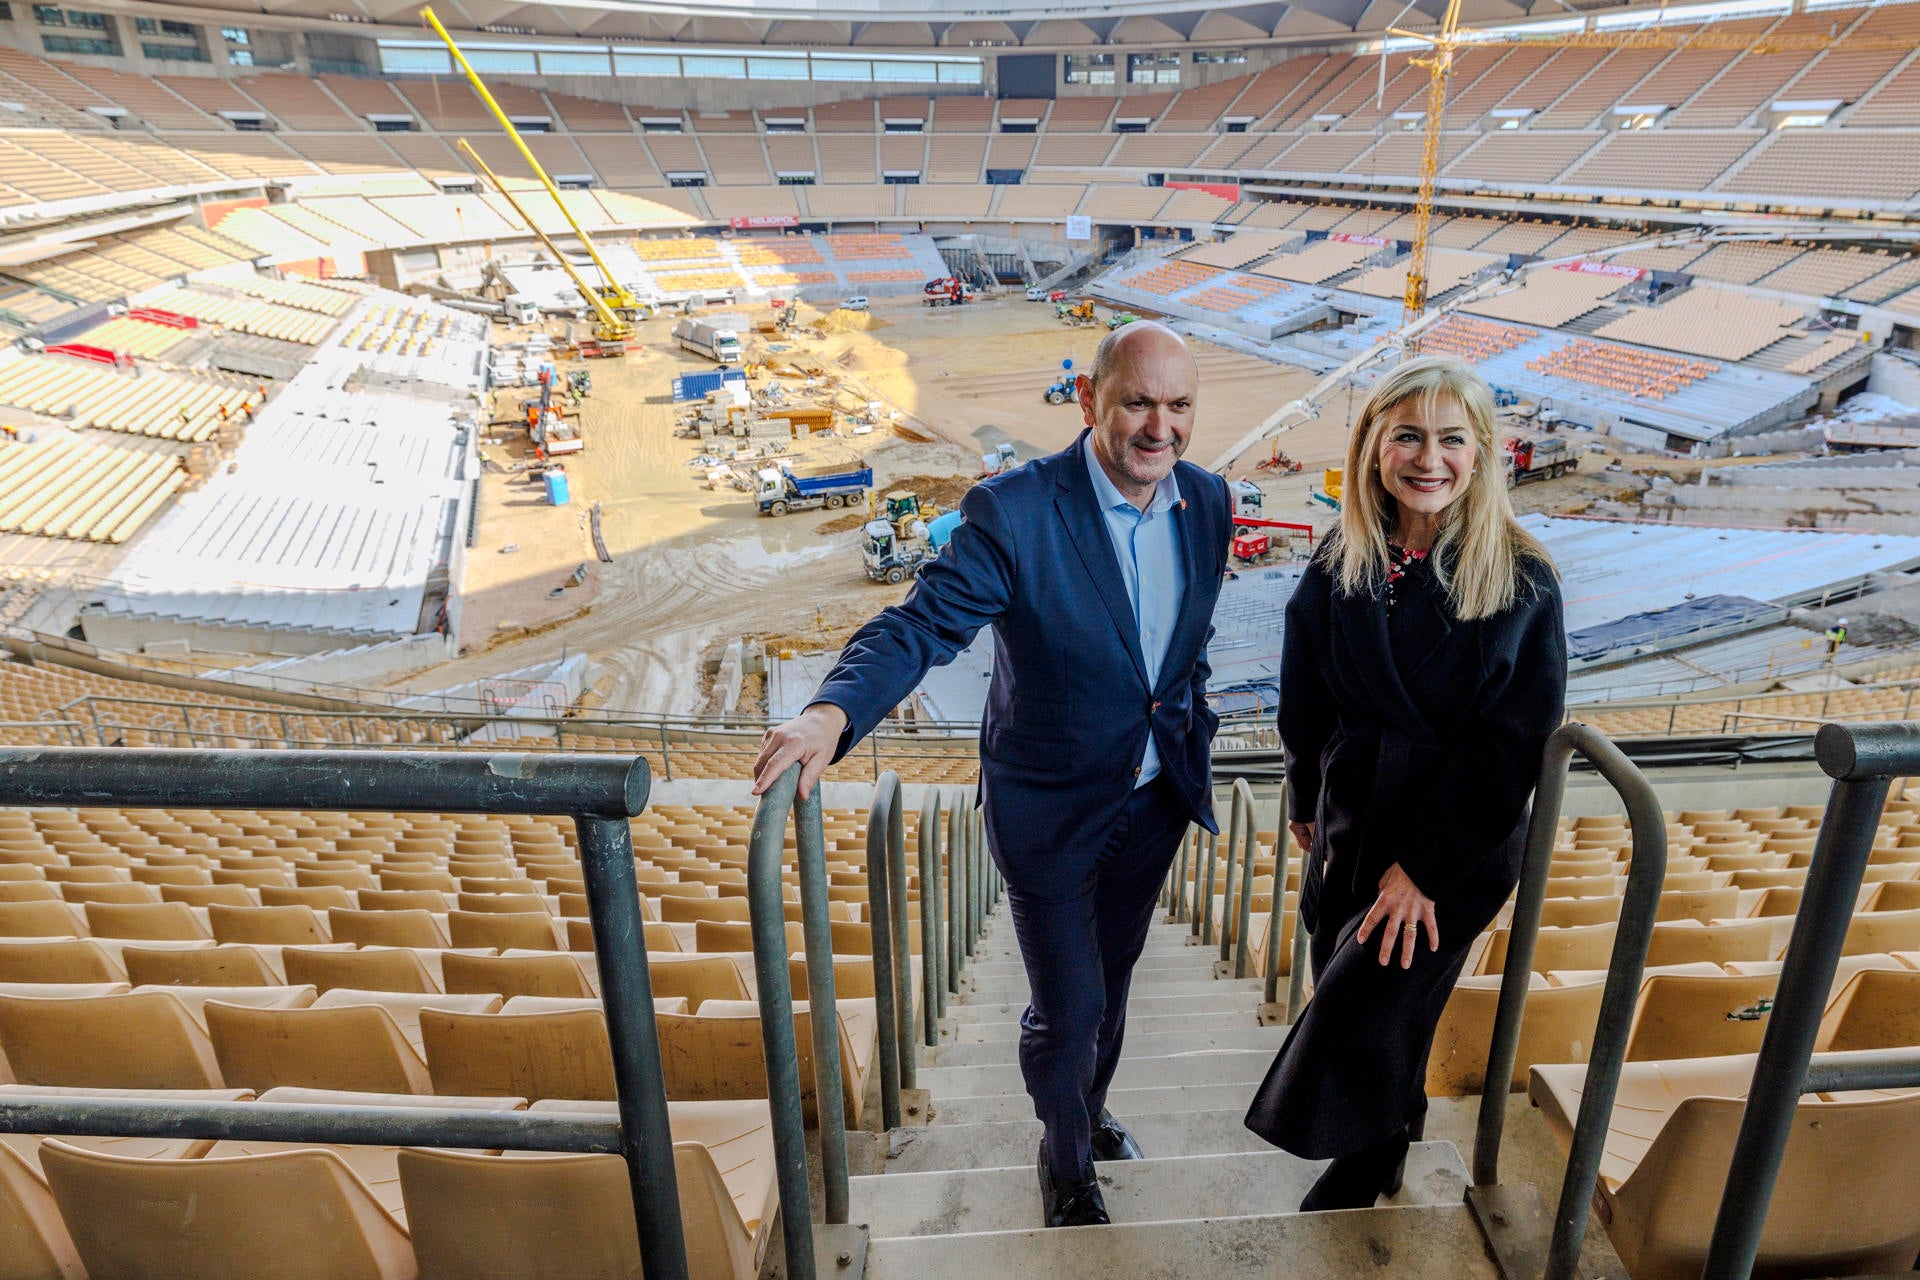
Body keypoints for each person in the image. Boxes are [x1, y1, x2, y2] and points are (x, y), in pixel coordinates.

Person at [752, 321, 1232, 1228]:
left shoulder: (1208, 502)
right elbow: (921, 624)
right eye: (1137, 402)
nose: (1158, 427)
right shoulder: (1012, 510)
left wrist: (1187, 731)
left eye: (1178, 407)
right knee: (1072, 1001)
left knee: (1114, 984)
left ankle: (1089, 1111)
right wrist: (833, 709)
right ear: (1091, 402)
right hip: (1048, 809)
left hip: (1152, 798)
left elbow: (1183, 651)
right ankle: (1064, 1159)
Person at [1244, 355, 1566, 1210]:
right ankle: (1392, 1137)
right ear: (1373, 450)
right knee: (1348, 975)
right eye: (1409, 437)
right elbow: (1303, 690)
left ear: (1483, 452)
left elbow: (1512, 746)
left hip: (1453, 839)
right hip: (1353, 815)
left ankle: (1356, 1164)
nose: (1431, 458)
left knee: (1368, 996)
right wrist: (1307, 794)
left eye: (1452, 439)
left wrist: (1423, 868)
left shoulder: (1522, 578)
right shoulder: (1339, 560)